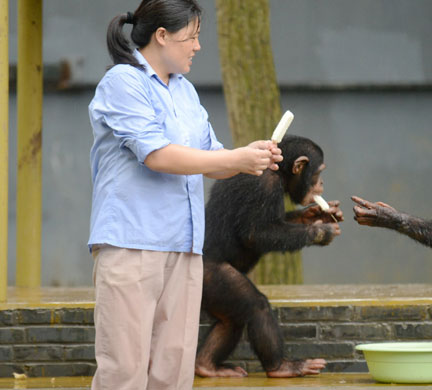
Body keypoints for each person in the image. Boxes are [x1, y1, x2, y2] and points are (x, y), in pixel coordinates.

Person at [87, 1, 282, 389]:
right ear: (162, 36)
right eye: (191, 37)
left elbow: (212, 160)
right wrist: (235, 157)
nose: (197, 47)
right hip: (132, 244)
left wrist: (249, 158)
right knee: (124, 370)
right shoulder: (124, 82)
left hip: (185, 247)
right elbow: (156, 155)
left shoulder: (185, 91)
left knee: (173, 371)